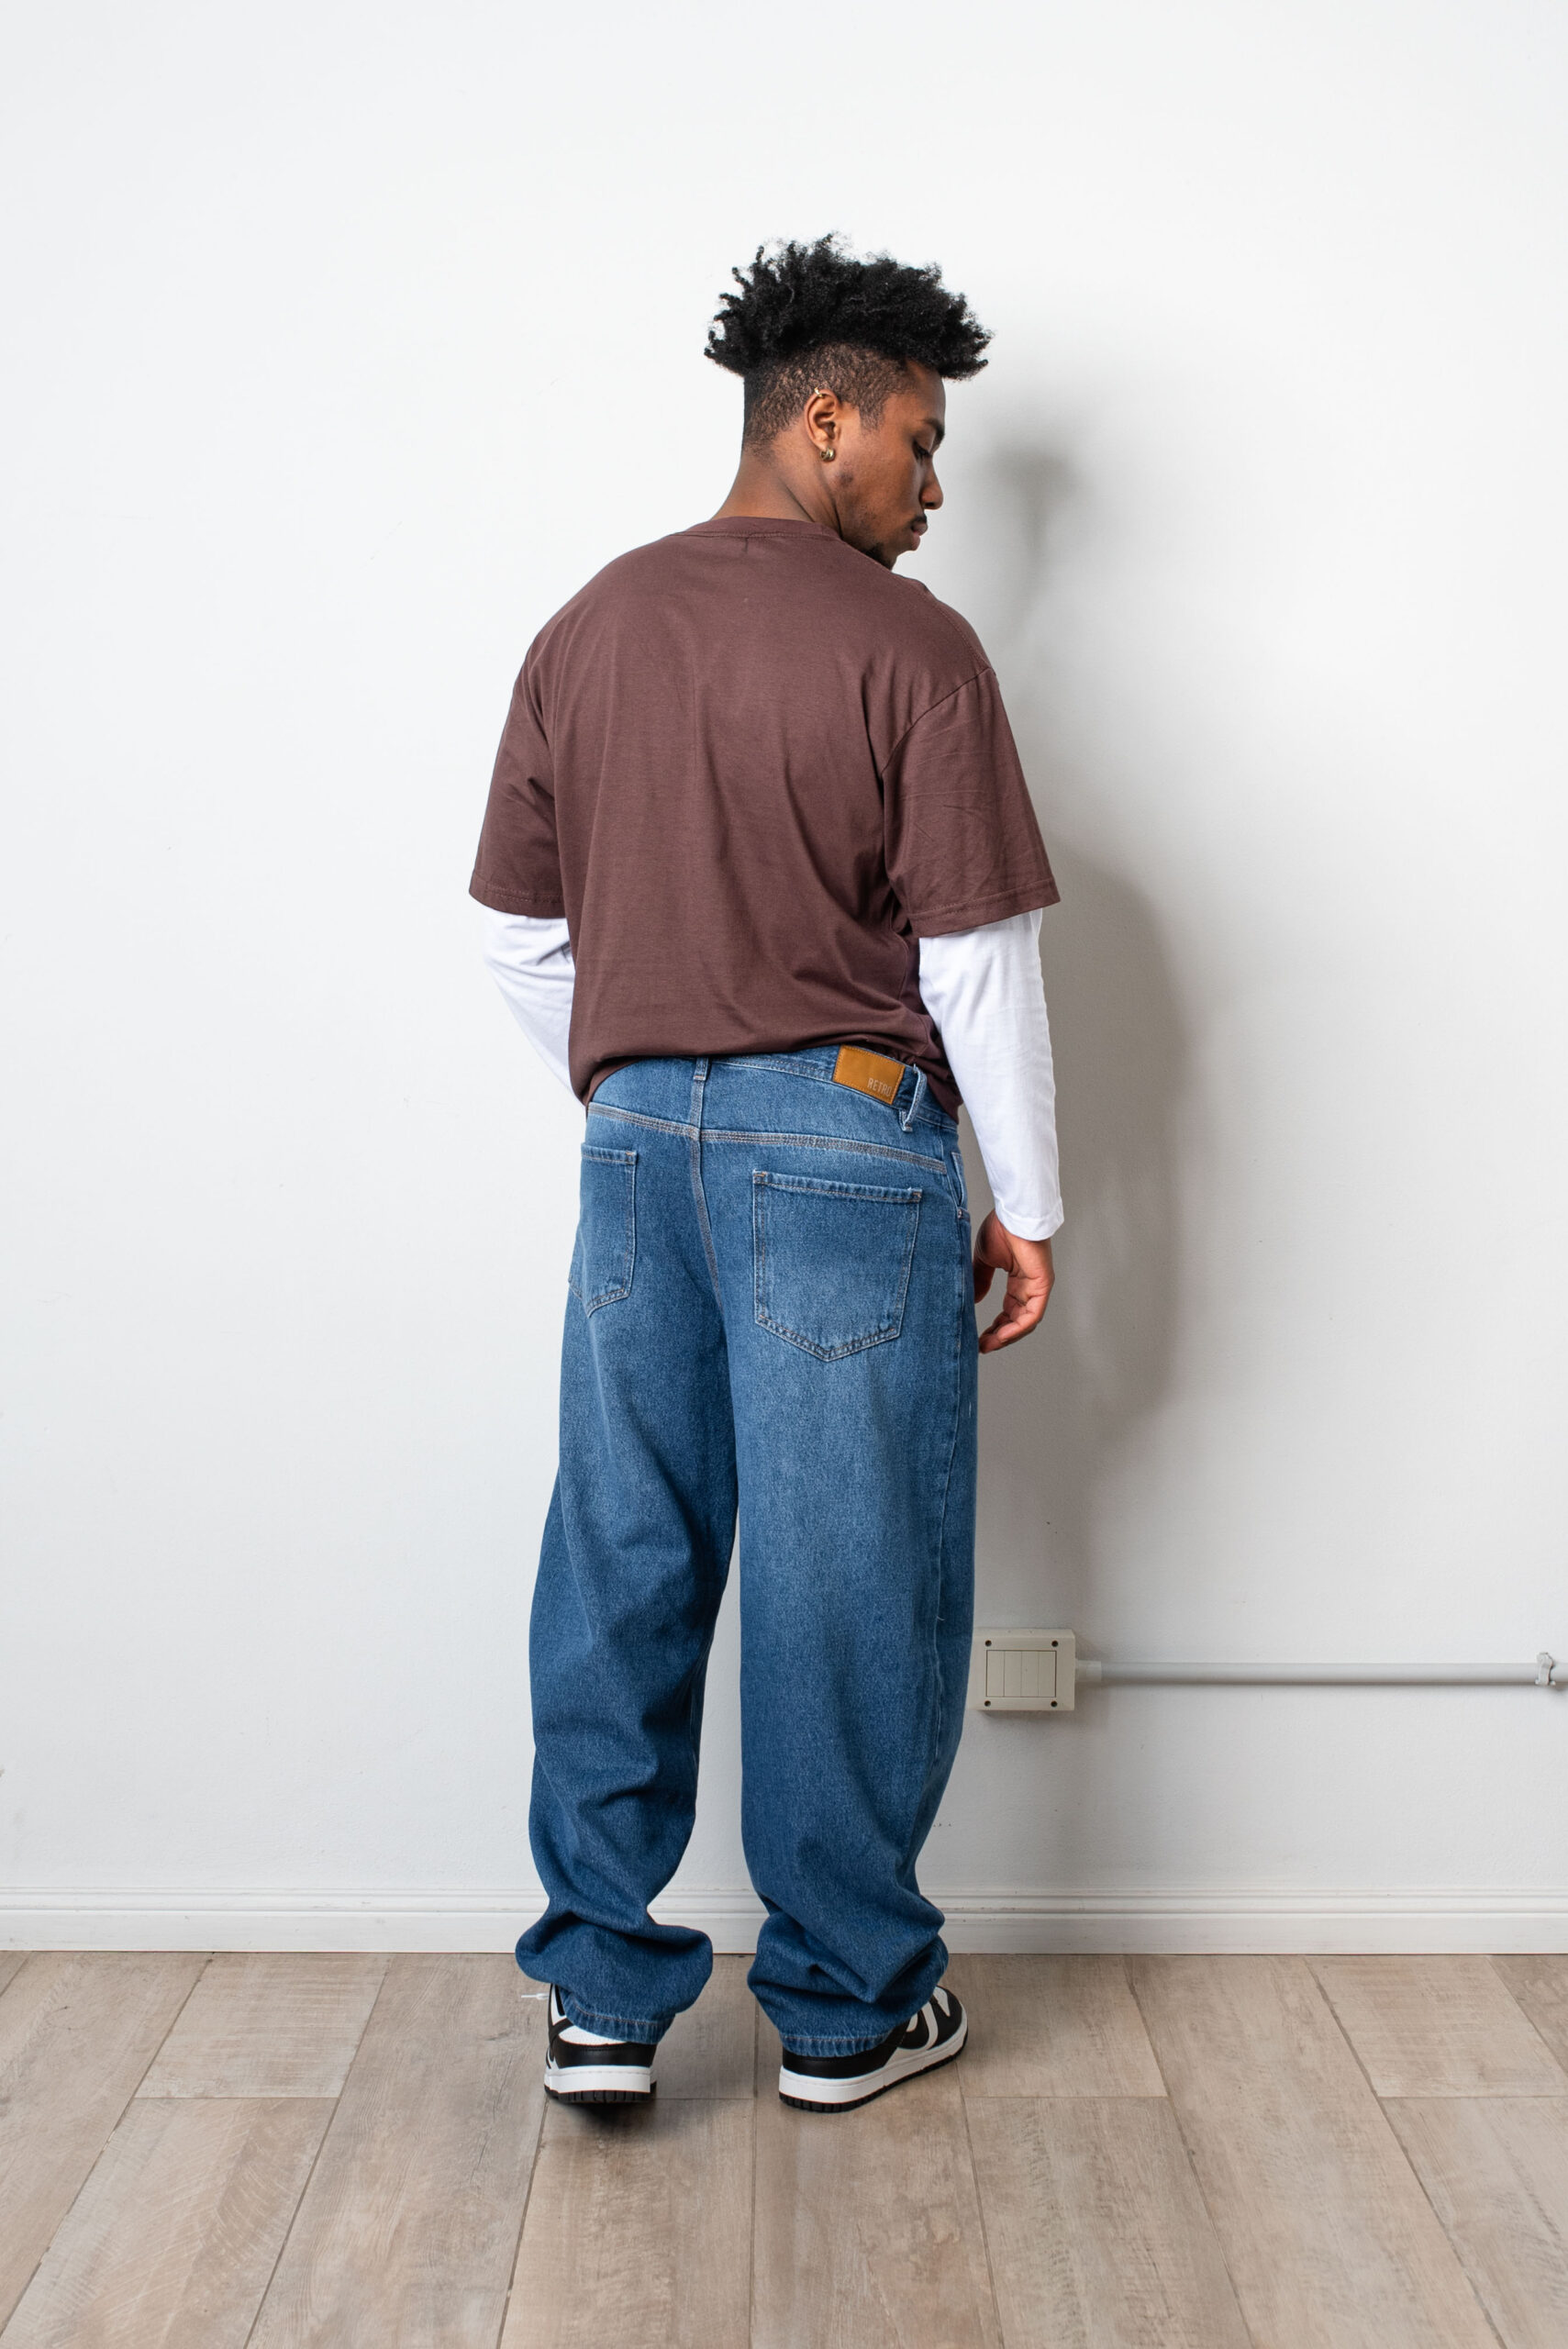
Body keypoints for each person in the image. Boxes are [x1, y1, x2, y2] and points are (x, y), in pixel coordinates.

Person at [470, 236, 1062, 2113]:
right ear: (824, 420)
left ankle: (600, 1998)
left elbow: (517, 941)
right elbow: (973, 959)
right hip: (847, 1146)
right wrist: (1027, 1203)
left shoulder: (587, 627)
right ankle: (844, 2006)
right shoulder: (913, 648)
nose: (931, 485)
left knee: (623, 1548)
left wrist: (651, 1082)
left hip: (635, 1150)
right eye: (918, 439)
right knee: (847, 1572)